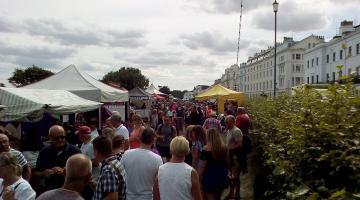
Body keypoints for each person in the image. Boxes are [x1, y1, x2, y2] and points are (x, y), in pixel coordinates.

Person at [34, 125, 81, 193]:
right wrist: (43, 173)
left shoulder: (74, 151)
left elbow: (83, 173)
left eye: (62, 137)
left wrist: (65, 171)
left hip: (70, 191)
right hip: (50, 191)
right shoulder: (44, 151)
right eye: (56, 138)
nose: (60, 140)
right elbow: (36, 173)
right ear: (50, 137)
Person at [120, 128, 163, 200]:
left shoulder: (126, 154)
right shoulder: (157, 159)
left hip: (129, 196)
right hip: (147, 197)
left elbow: (119, 175)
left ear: (140, 139)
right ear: (153, 140)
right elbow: (158, 183)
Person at [198, 129, 229, 200]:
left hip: (210, 176)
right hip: (222, 174)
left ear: (208, 136)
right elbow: (227, 162)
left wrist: (199, 179)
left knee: (211, 196)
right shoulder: (223, 147)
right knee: (218, 197)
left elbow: (202, 167)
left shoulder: (206, 149)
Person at [92, 136, 125, 200]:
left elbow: (112, 198)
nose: (93, 154)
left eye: (93, 150)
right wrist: (91, 183)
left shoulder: (108, 170)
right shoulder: (116, 162)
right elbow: (106, 190)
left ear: (96, 151)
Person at [224, 115, 243, 200]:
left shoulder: (236, 131)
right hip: (230, 157)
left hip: (236, 158)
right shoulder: (229, 130)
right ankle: (231, 193)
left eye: (227, 122)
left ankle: (237, 194)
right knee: (231, 176)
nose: (225, 123)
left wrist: (228, 148)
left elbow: (239, 144)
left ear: (232, 121)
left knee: (235, 177)